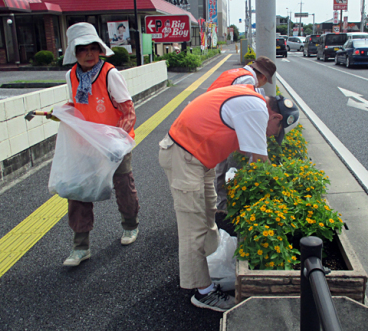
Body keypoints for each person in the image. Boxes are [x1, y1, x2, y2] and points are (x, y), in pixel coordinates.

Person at [158, 84, 299, 312]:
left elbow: (249, 156)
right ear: (276, 117)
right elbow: (261, 163)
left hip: (199, 158)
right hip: (184, 157)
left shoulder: (254, 102)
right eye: (277, 131)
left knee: (207, 213)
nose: (273, 136)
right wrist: (282, 195)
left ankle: (211, 267)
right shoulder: (257, 109)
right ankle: (203, 292)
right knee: (192, 227)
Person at [60, 22, 140, 266]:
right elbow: (76, 106)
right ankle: (80, 246)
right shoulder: (70, 76)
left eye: (93, 48)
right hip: (85, 144)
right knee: (78, 191)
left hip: (115, 143)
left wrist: (115, 140)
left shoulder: (110, 74)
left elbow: (128, 111)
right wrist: (63, 113)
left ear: (100, 49)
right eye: (83, 49)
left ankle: (130, 226)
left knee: (122, 185)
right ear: (74, 52)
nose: (89, 53)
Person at [207, 56, 277, 218]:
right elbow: (241, 108)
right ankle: (222, 209)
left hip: (212, 118)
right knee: (223, 166)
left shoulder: (237, 73)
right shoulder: (246, 80)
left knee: (219, 167)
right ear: (264, 77)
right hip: (216, 124)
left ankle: (219, 206)